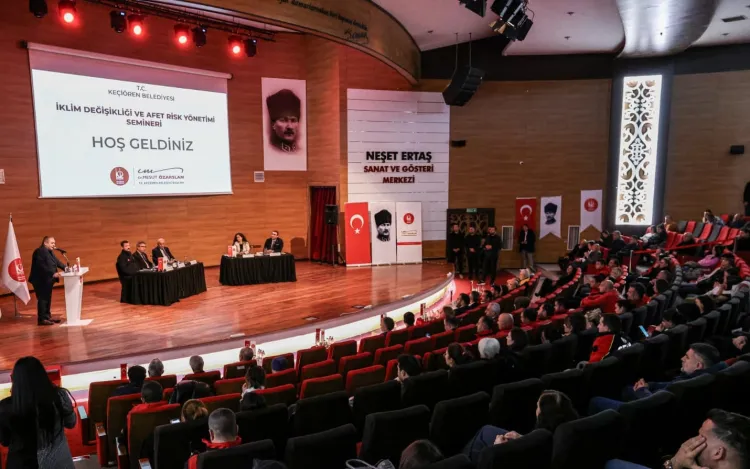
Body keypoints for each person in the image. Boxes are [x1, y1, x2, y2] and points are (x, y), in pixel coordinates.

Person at [589, 343, 726, 412]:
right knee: (627, 389)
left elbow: (657, 404)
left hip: (645, 411)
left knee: (595, 401)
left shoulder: (685, 384)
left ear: (698, 365)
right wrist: (649, 385)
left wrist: (642, 390)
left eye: (687, 357)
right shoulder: (702, 377)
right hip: (650, 397)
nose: (682, 358)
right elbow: (668, 386)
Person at [0, 357, 77, 469]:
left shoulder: (4, 407)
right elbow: (71, 423)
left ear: (15, 381)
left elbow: (5, 441)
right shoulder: (60, 396)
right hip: (59, 462)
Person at [463, 390, 579, 464]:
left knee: (482, 440)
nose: (536, 409)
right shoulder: (571, 434)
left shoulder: (550, 451)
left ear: (544, 416)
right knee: (486, 430)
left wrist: (498, 449)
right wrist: (523, 438)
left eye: (537, 406)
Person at [29, 236, 66, 326]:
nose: (54, 245)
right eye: (52, 243)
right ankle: (42, 319)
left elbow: (57, 262)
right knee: (43, 299)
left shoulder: (49, 252)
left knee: (47, 298)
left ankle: (47, 317)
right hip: (40, 280)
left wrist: (66, 268)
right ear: (45, 243)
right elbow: (41, 266)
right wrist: (52, 273)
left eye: (54, 243)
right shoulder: (39, 251)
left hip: (47, 280)